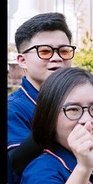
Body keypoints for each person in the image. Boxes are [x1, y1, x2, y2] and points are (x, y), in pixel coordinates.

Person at [8, 12, 75, 170]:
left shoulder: (76, 103)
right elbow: (15, 165)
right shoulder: (12, 109)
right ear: (22, 61)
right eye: (45, 51)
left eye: (64, 51)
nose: (57, 58)